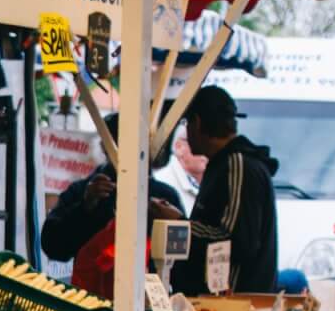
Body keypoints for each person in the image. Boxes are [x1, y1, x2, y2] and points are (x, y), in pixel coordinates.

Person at [40, 115, 185, 298]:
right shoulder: (83, 191)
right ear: (104, 145)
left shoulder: (164, 197)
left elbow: (181, 264)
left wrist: (172, 221)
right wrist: (85, 208)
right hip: (90, 306)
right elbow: (52, 246)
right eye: (119, 141)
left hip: (151, 307)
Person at [175, 85, 281, 295]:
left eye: (187, 123)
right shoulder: (225, 164)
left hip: (231, 306)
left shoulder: (238, 164)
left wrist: (179, 225)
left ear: (196, 123)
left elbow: (234, 240)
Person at [153, 125, 206, 210]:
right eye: (200, 142)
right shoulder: (162, 182)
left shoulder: (209, 180)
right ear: (178, 147)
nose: (205, 149)